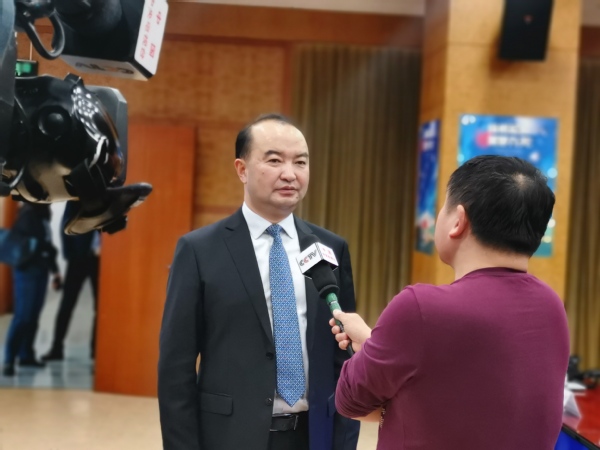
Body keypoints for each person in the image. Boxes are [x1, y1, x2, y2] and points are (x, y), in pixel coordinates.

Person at [331, 155, 570, 450]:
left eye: (443, 207)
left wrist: (370, 348)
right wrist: (377, 344)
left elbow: (349, 401)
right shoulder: (551, 306)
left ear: (458, 221)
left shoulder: (420, 308)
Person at [158, 113, 360, 450]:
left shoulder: (329, 248)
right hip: (229, 437)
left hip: (314, 437)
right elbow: (175, 368)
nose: (290, 173)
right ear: (242, 169)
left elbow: (346, 358)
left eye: (300, 162)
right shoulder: (199, 250)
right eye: (275, 160)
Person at [2, 203, 62, 377]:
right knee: (23, 316)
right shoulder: (28, 214)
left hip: (41, 271)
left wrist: (55, 270)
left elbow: (48, 244)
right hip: (27, 271)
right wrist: (44, 252)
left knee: (34, 315)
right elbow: (32, 243)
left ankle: (26, 355)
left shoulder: (43, 215)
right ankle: (9, 360)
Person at [42, 201, 100, 362]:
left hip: (100, 260)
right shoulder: (77, 196)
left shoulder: (108, 196)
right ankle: (56, 348)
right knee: (67, 304)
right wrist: (70, 256)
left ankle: (97, 350)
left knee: (101, 306)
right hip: (78, 258)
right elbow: (66, 223)